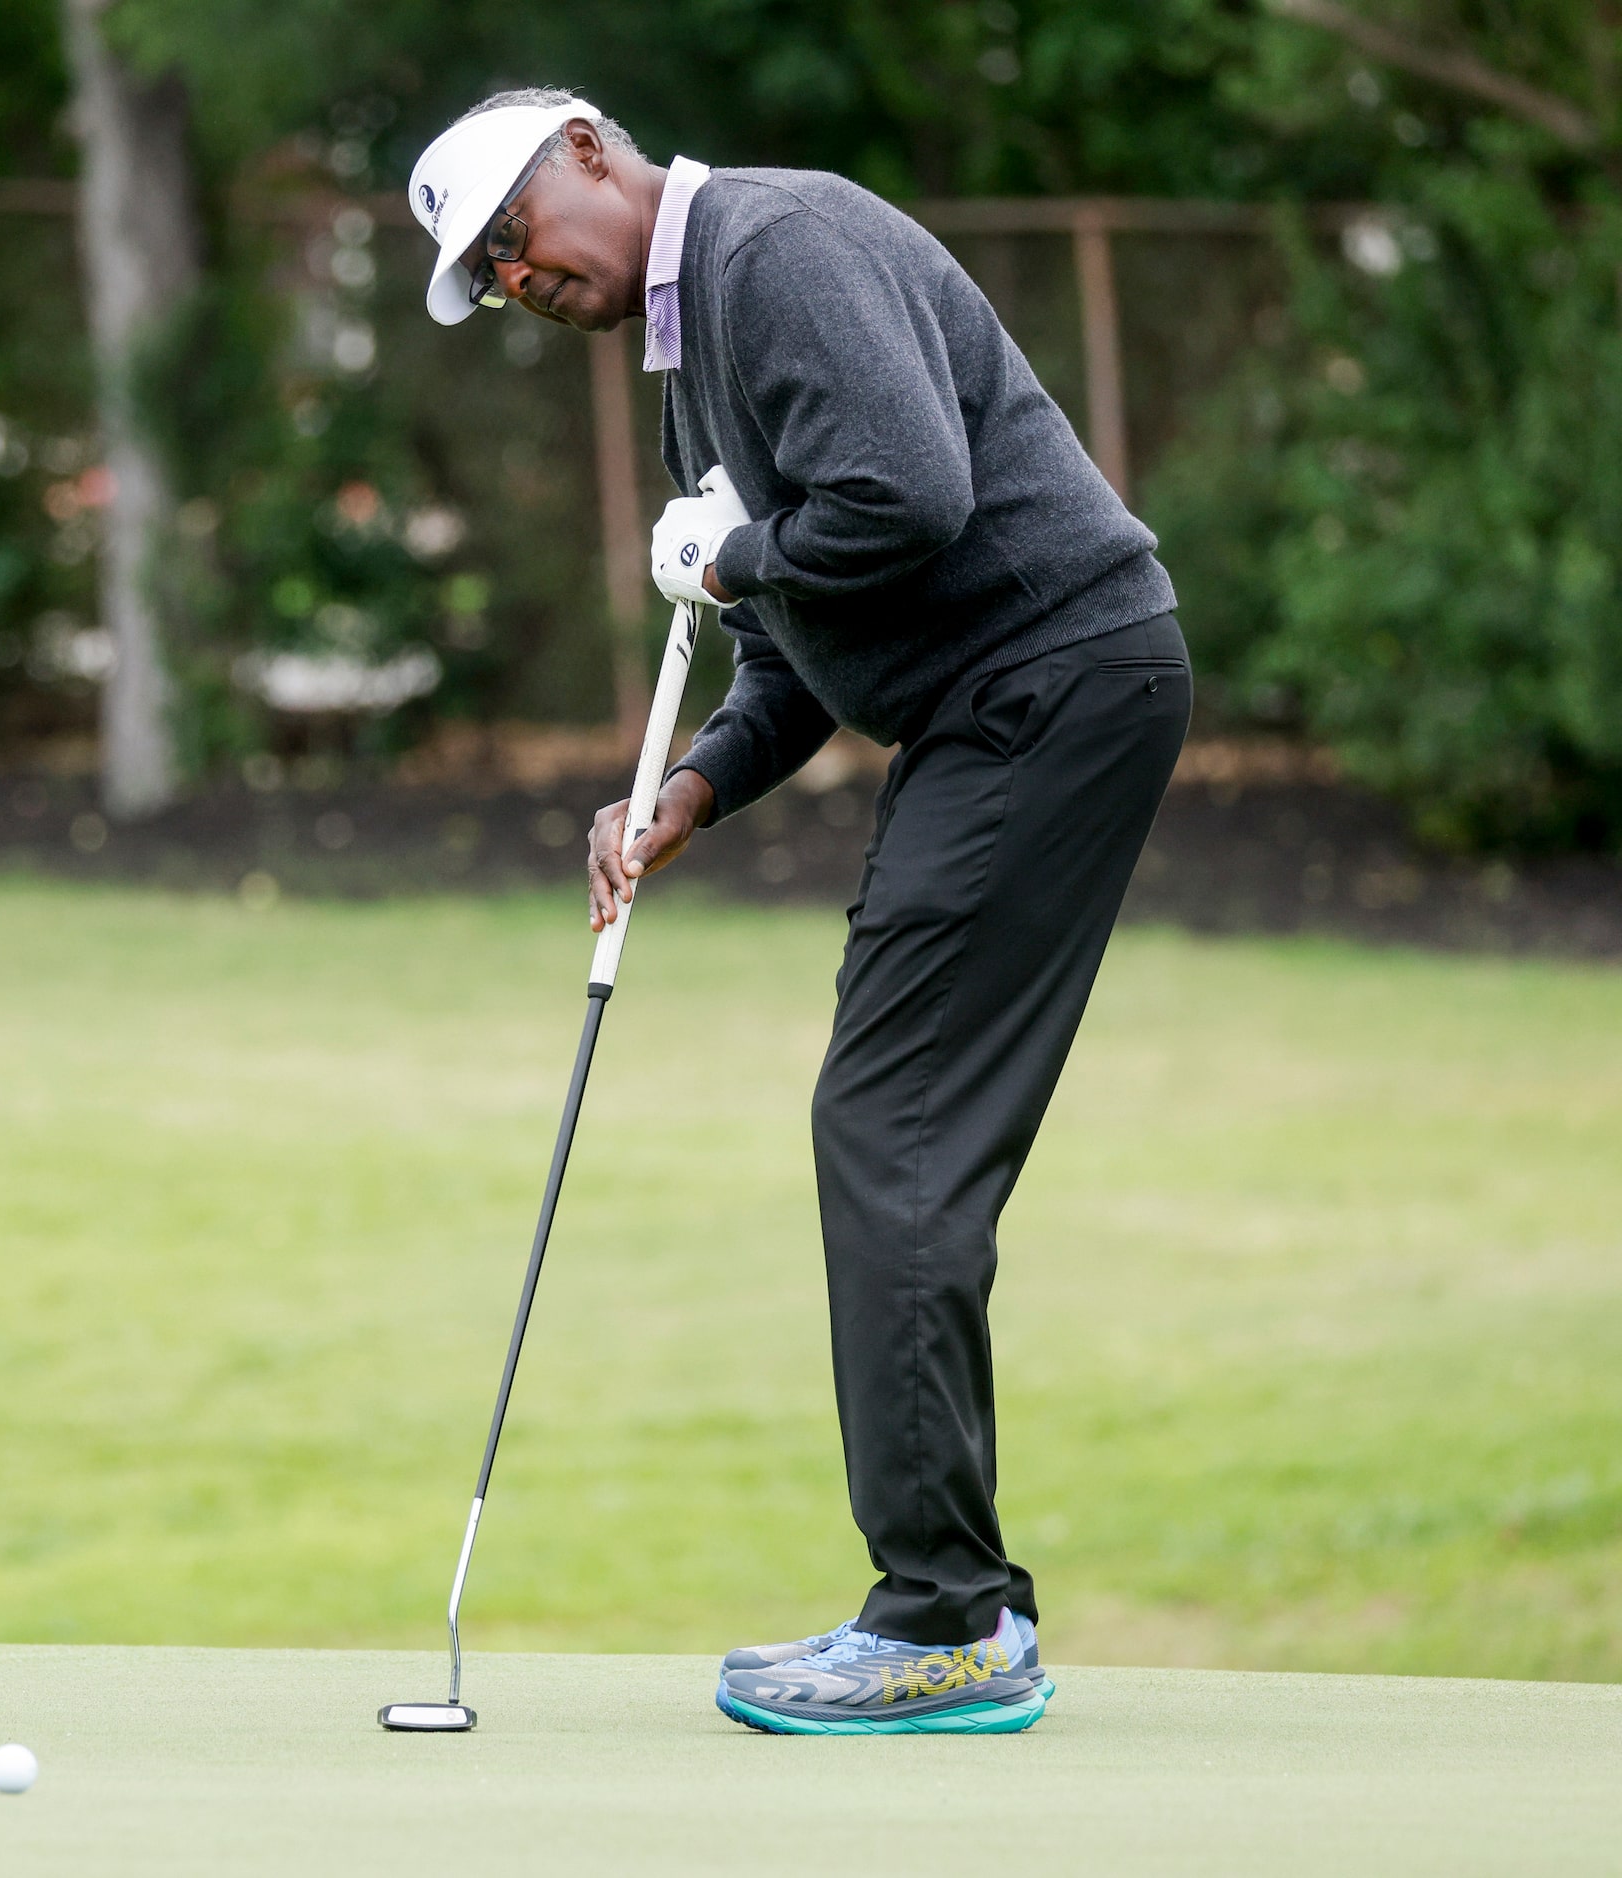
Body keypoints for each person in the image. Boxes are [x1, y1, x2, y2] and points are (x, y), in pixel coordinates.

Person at [406, 90, 1190, 1735]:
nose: (518, 281)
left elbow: (907, 497)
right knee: (889, 1123)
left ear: (596, 154)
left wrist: (735, 550)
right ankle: (942, 1608)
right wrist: (680, 791)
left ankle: (945, 1625)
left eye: (516, 236)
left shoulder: (778, 244)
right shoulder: (695, 357)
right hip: (1005, 702)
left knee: (889, 1122)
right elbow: (798, 644)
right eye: (489, 277)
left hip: (1047, 680)